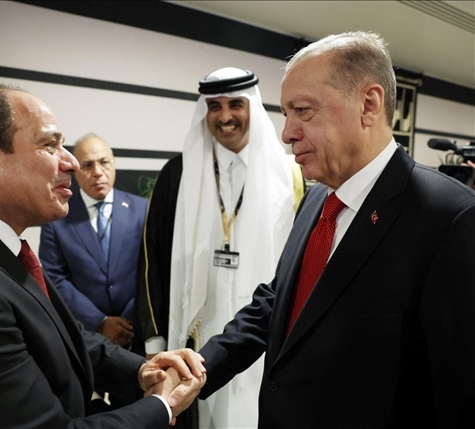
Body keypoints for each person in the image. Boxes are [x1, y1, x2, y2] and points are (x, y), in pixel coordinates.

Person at [0, 82, 206, 429]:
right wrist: (162, 406)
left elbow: (53, 330)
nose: (71, 162)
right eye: (50, 145)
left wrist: (142, 369)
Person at [197, 31, 475, 428]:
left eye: (303, 111)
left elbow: (459, 391)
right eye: (286, 114)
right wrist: (202, 367)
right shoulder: (316, 199)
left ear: (368, 105)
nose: (287, 133)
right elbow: (281, 302)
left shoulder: (449, 217)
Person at [134, 67, 296, 429]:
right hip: (194, 342)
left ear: (252, 107)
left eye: (235, 104)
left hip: (263, 338)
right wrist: (155, 341)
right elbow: (150, 262)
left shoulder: (289, 176)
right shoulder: (177, 175)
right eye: (214, 106)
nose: (224, 117)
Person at [39, 132, 148, 413]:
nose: (98, 172)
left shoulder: (142, 209)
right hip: (84, 338)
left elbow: (150, 271)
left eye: (104, 162)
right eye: (87, 165)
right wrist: (100, 322)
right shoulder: (58, 215)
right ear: (75, 170)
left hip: (136, 333)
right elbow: (54, 278)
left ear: (114, 164)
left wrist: (128, 319)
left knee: (135, 412)